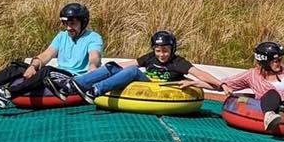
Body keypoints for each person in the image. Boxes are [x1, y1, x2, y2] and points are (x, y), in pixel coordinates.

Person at [0, 2, 104, 108]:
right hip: (57, 73)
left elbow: (94, 56)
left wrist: (92, 67)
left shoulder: (93, 37)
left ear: (83, 22)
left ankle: (7, 94)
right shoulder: (62, 36)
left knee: (47, 71)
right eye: (66, 23)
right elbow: (46, 55)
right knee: (16, 67)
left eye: (73, 23)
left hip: (72, 77)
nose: (69, 27)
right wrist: (33, 66)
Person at [71, 30, 225, 103]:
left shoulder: (177, 62)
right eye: (158, 51)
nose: (161, 55)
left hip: (157, 89)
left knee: (132, 71)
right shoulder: (150, 57)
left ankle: (97, 89)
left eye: (165, 51)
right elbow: (125, 65)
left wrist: (221, 84)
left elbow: (199, 73)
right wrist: (105, 69)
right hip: (144, 82)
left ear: (172, 50)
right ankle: (76, 84)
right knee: (114, 67)